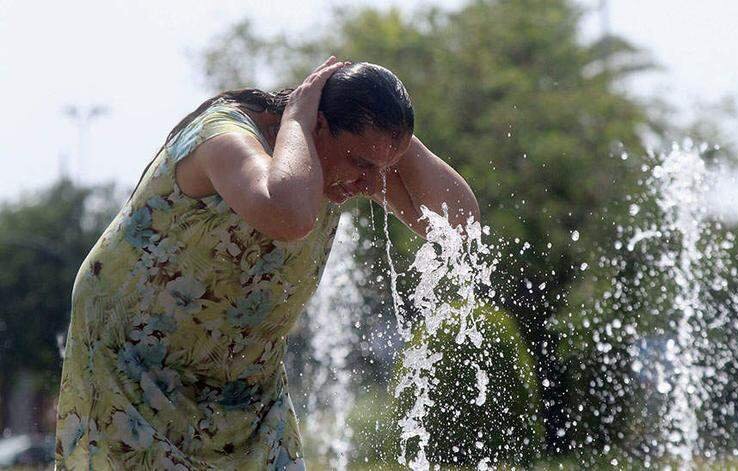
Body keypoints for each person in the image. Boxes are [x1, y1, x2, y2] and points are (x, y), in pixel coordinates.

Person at [54, 56, 479, 470]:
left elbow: (460, 223)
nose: (369, 182)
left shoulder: (343, 166)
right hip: (133, 364)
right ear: (318, 125)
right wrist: (297, 117)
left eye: (381, 167)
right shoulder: (223, 137)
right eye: (361, 163)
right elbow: (288, 215)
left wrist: (394, 139)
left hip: (242, 378)